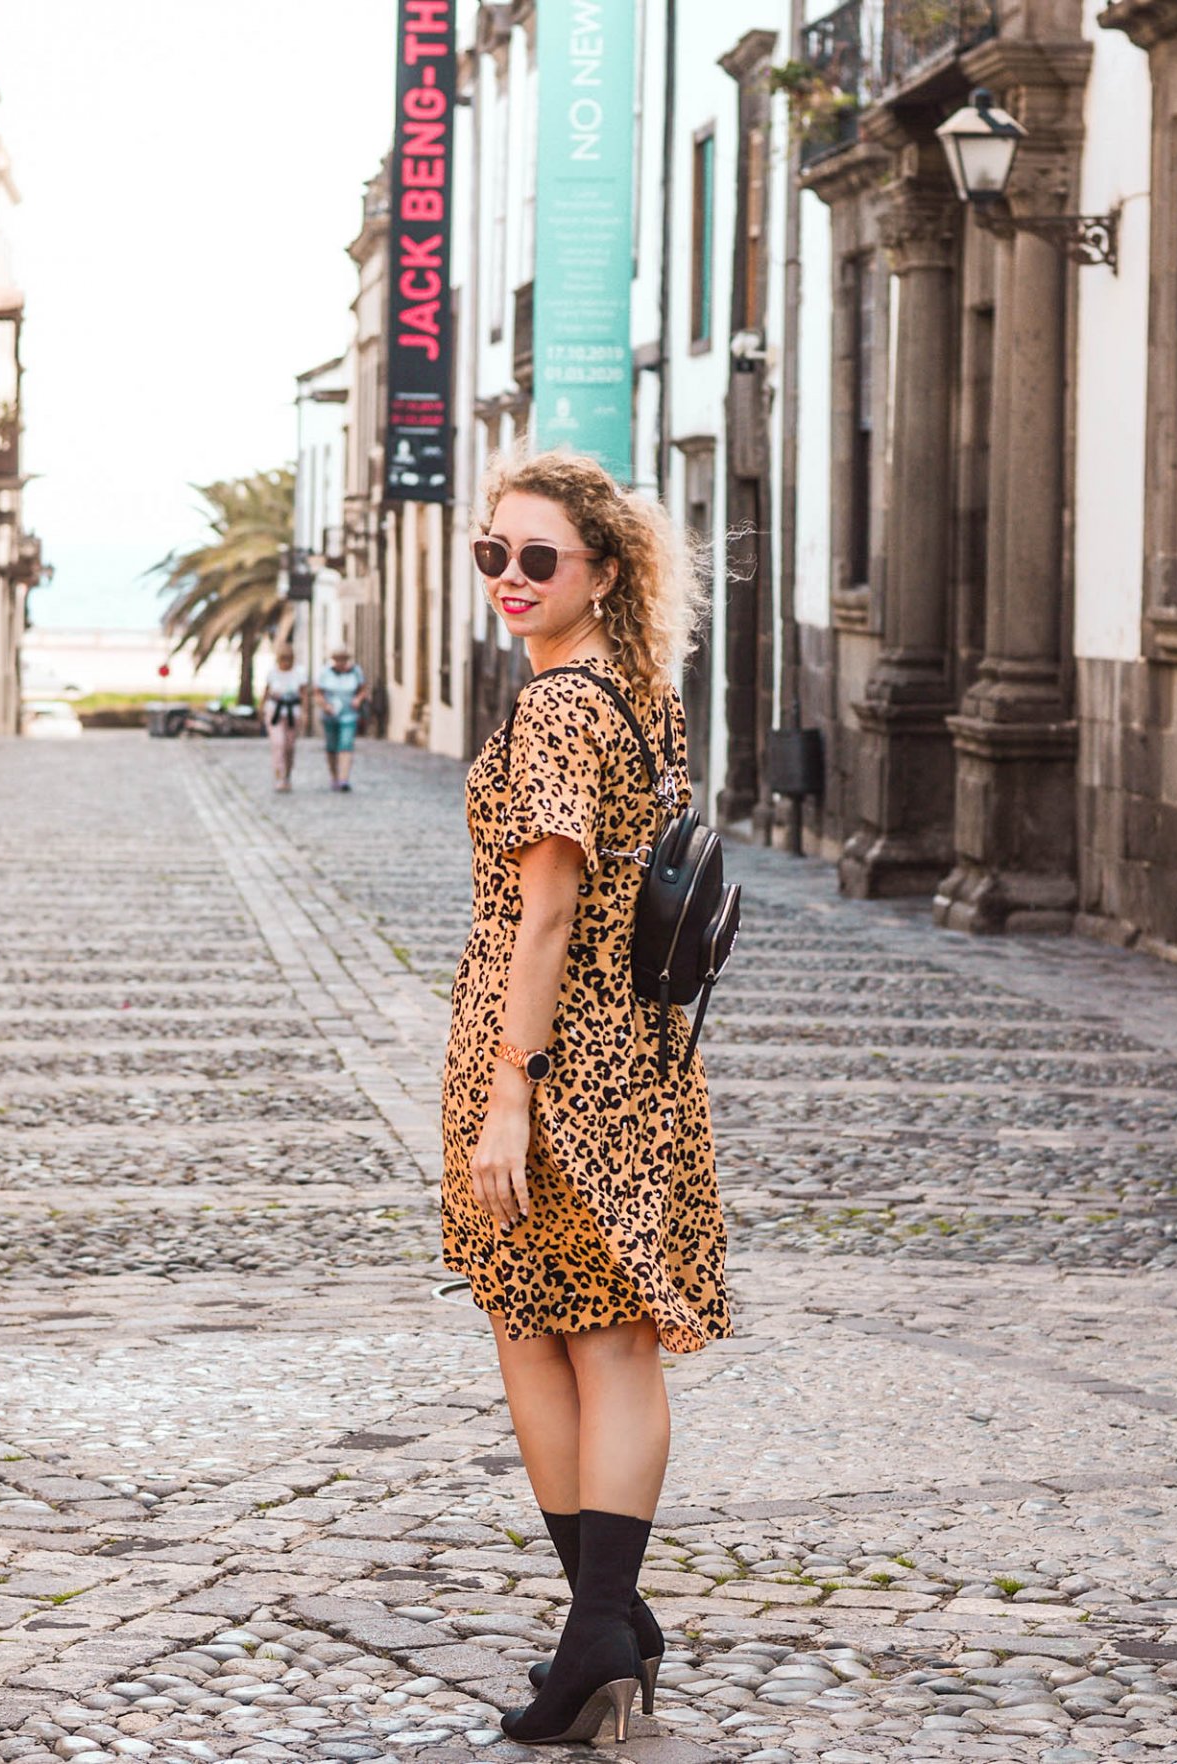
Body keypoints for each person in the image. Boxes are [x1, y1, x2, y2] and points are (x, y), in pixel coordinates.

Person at [440, 449, 731, 1747]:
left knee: (540, 1328)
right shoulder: (635, 696)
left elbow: (548, 912)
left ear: (601, 571)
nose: (511, 576)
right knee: (603, 1333)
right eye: (492, 553)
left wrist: (511, 1093)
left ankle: (601, 1624)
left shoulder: (558, 712)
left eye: (537, 557)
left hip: (551, 1059)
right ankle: (603, 1624)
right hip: (640, 1059)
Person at [316, 645, 368, 791]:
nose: (340, 662)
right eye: (337, 659)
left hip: (349, 713)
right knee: (331, 747)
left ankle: (344, 779)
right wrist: (325, 706)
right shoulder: (325, 672)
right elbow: (318, 692)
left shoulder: (356, 671)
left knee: (346, 744)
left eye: (343, 659)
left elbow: (363, 689)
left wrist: (358, 699)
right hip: (330, 714)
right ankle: (334, 776)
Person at [261, 641, 305, 793]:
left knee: (289, 747)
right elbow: (265, 693)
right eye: (283, 659)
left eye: (288, 659)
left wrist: (305, 714)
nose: (285, 662)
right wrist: (261, 711)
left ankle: (287, 775)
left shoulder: (299, 673)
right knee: (278, 744)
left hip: (293, 713)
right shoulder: (272, 673)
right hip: (275, 713)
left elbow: (303, 694)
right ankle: (279, 777)